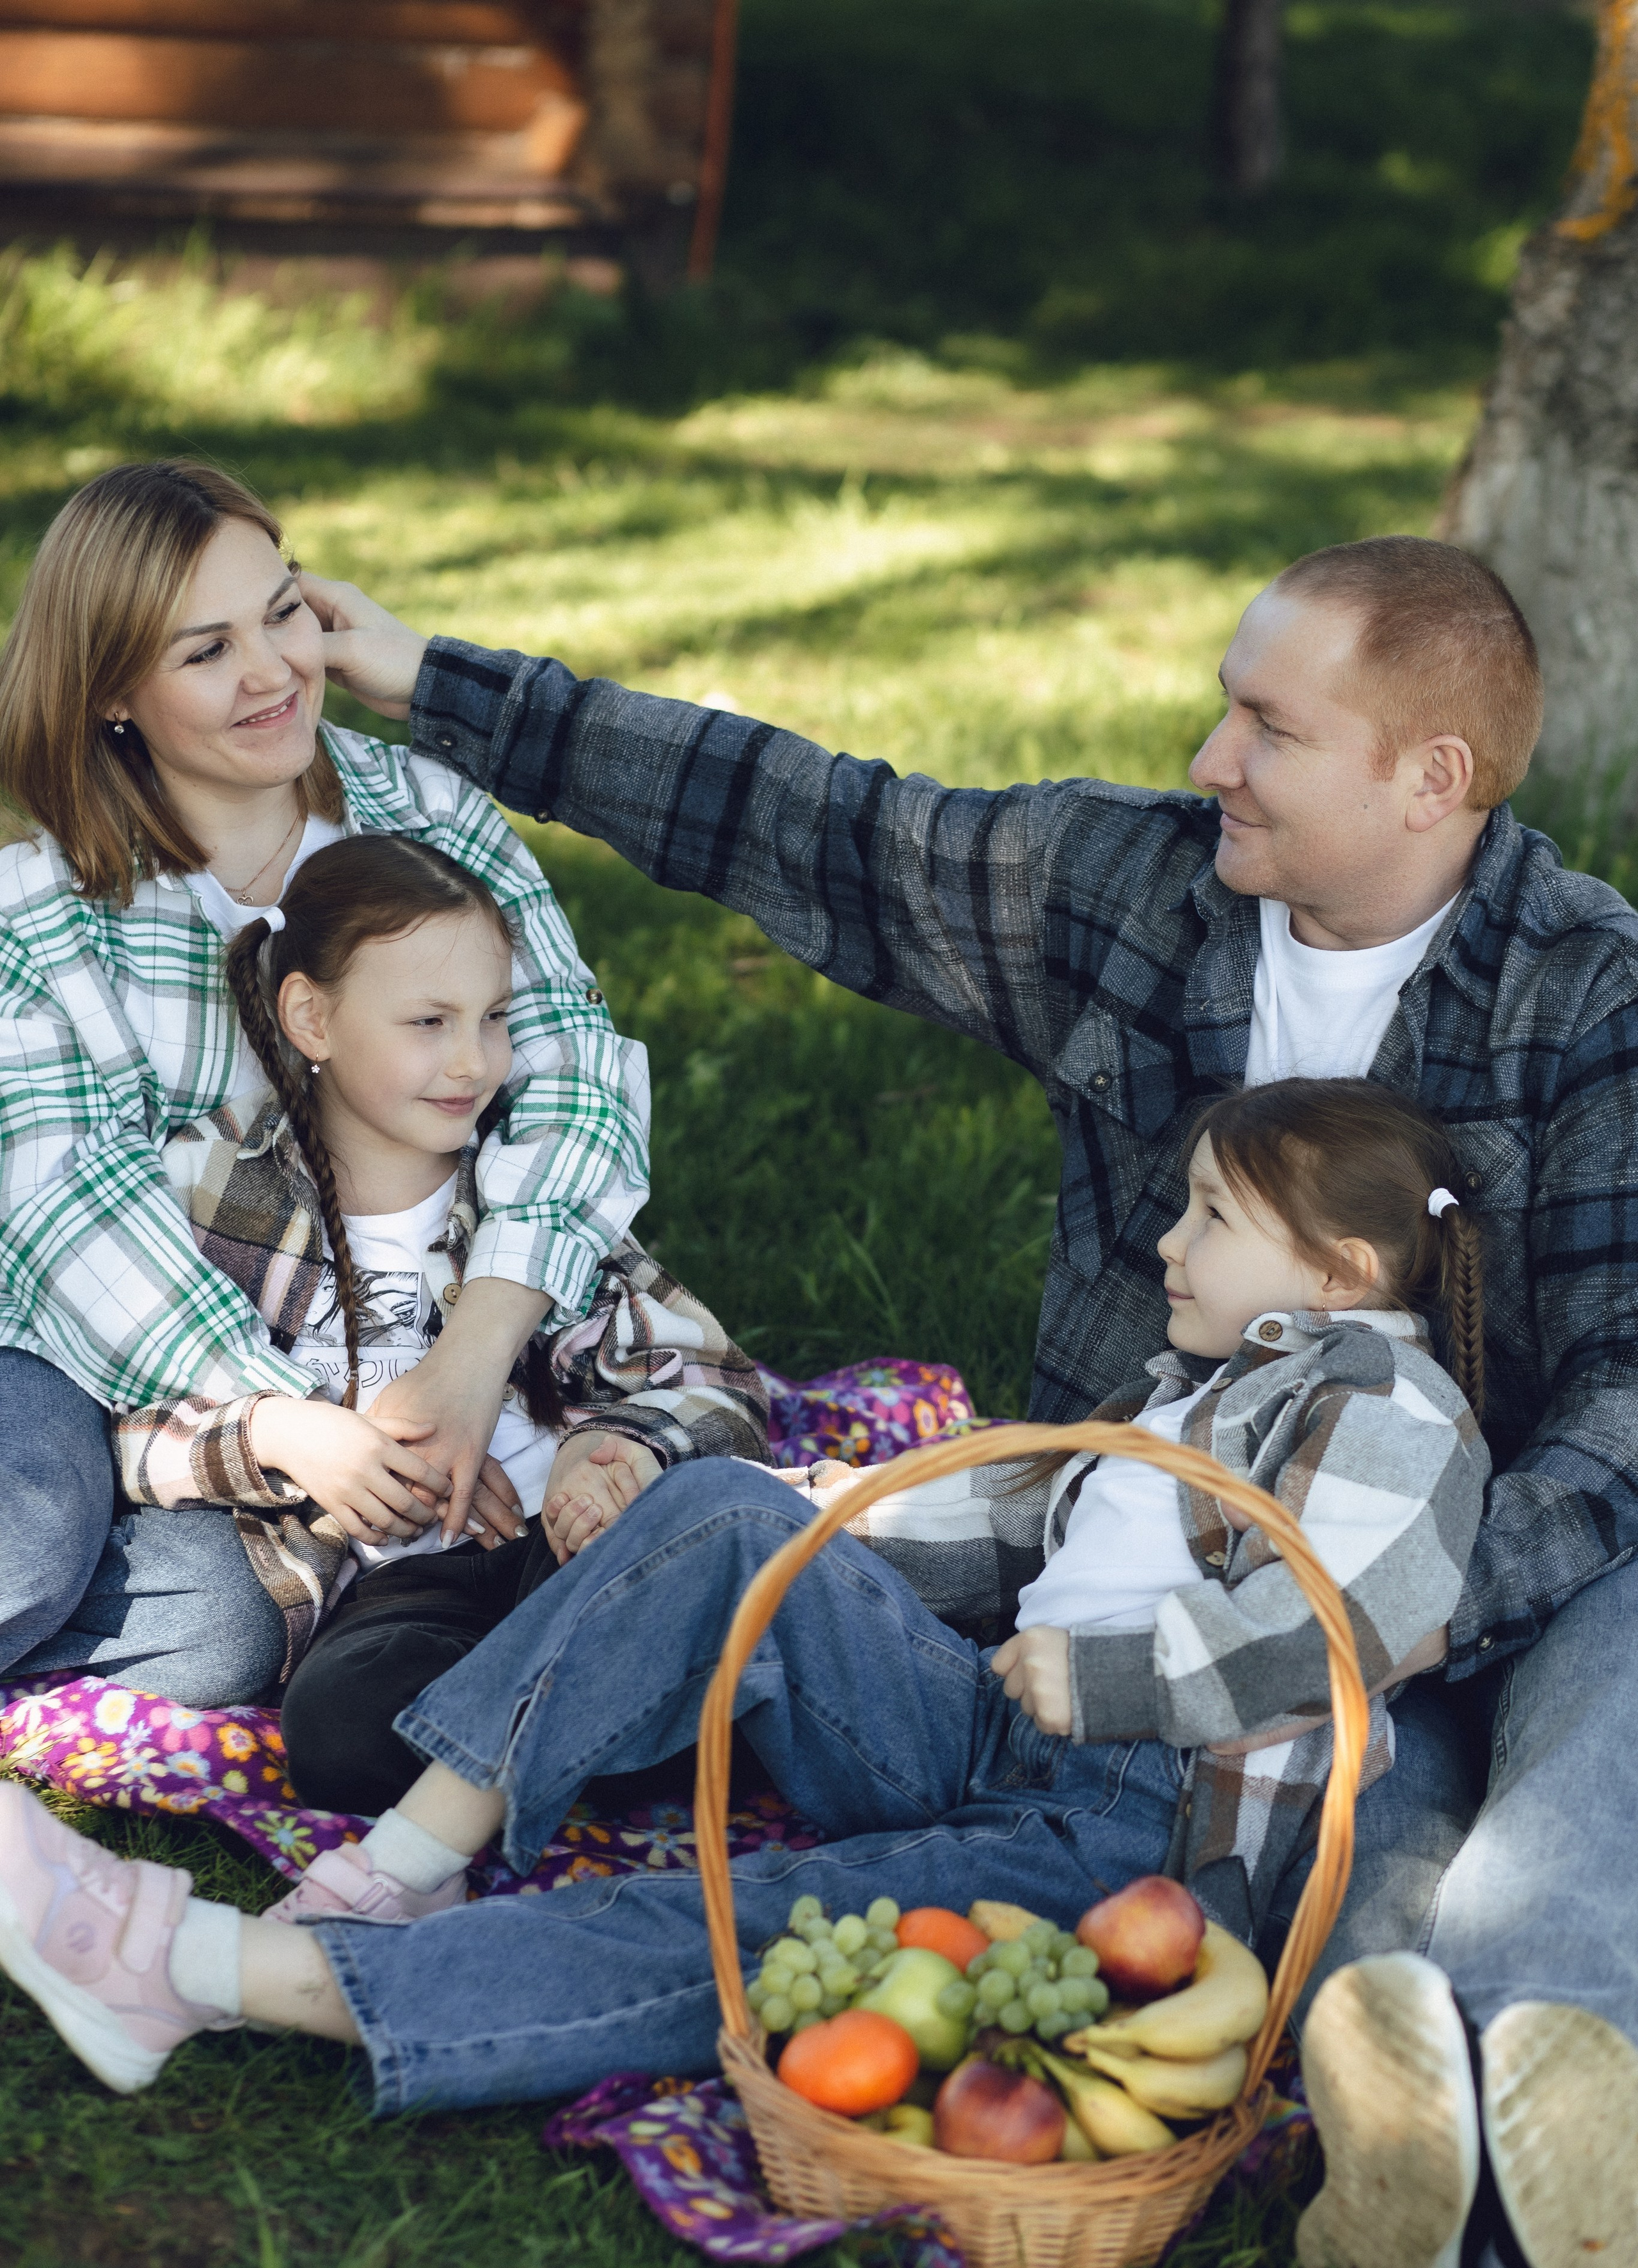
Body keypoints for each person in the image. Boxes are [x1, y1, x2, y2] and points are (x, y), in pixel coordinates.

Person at [282, 533, 1638, 2268]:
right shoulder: (1145, 891)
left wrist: (1393, 1615)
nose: (1207, 757)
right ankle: (1432, 2168)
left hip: (1524, 1550)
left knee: (1531, 1819)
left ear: (1430, 780)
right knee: (1341, 1890)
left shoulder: (1591, 994)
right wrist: (431, 678)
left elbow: (1628, 1394)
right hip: (1195, 1597)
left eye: (1266, 725)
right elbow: (808, 816)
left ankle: (1562, 2141)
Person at [0, 1074, 1486, 2105]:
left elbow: (1340, 1627)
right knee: (713, 1507)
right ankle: (406, 1858)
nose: (1166, 1242)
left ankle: (198, 1964)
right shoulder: (1198, 1390)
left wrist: (1107, 1683)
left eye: (1210, 1217)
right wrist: (799, 1524)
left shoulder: (1385, 1407)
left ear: (1339, 1271)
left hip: (1137, 1842)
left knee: (731, 1929)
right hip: (988, 1736)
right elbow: (1000, 1523)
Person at [0, 459, 655, 1705]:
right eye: (206, 650)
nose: (272, 671)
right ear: (113, 698)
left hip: (356, 1332)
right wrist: (286, 1417)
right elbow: (64, 1212)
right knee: (28, 1533)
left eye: (284, 610)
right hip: (70, 1337)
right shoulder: (39, 913)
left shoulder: (427, 824)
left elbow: (572, 1074)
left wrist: (472, 1357)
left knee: (229, 1631)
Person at [113, 833, 766, 1769]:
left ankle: (555, 1732)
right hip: (397, 1589)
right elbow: (131, 1420)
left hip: (564, 1547)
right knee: (337, 1727)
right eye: (429, 1023)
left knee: (681, 1590)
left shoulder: (523, 1185)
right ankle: (613, 1729)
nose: (475, 1062)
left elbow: (709, 1375)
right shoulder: (215, 1190)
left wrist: (612, 1446)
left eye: (493, 1017)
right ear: (312, 1019)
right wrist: (287, 1439)